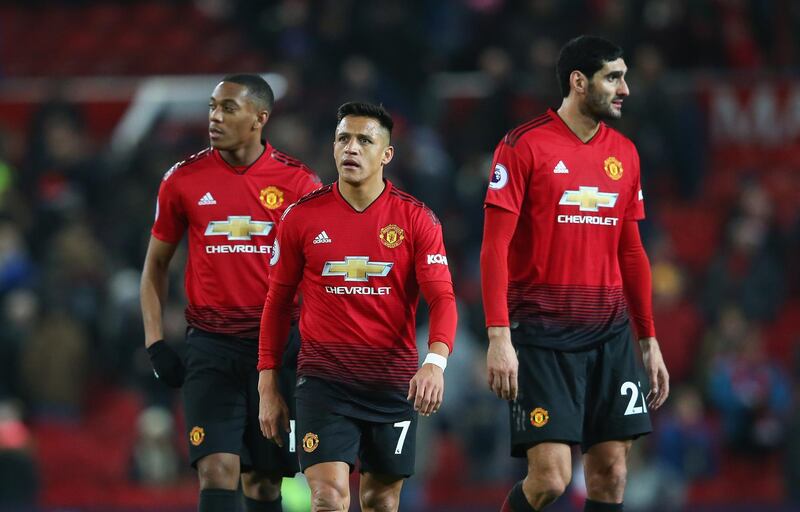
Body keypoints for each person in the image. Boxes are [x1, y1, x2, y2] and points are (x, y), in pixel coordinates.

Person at [480, 35, 670, 512]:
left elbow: (631, 252)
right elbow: (494, 247)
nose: (625, 87)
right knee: (550, 479)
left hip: (609, 336)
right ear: (579, 82)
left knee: (612, 473)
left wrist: (648, 339)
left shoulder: (625, 153)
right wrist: (499, 335)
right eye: (614, 77)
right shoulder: (523, 146)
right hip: (542, 338)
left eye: (625, 76)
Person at [257, 102, 457, 512]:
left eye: (364, 140)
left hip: (391, 384)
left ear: (386, 154)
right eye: (343, 139)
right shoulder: (301, 218)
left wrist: (435, 362)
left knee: (380, 501)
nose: (351, 148)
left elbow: (443, 298)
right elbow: (277, 304)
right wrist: (267, 382)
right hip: (323, 383)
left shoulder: (417, 220)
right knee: (328, 497)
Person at [140, 74, 320, 512]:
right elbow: (155, 267)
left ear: (260, 118)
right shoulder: (182, 180)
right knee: (216, 469)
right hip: (210, 347)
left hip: (276, 350)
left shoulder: (299, 185)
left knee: (263, 482)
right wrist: (155, 342)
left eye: (228, 109)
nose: (215, 118)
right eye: (212, 107)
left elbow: (320, 274)